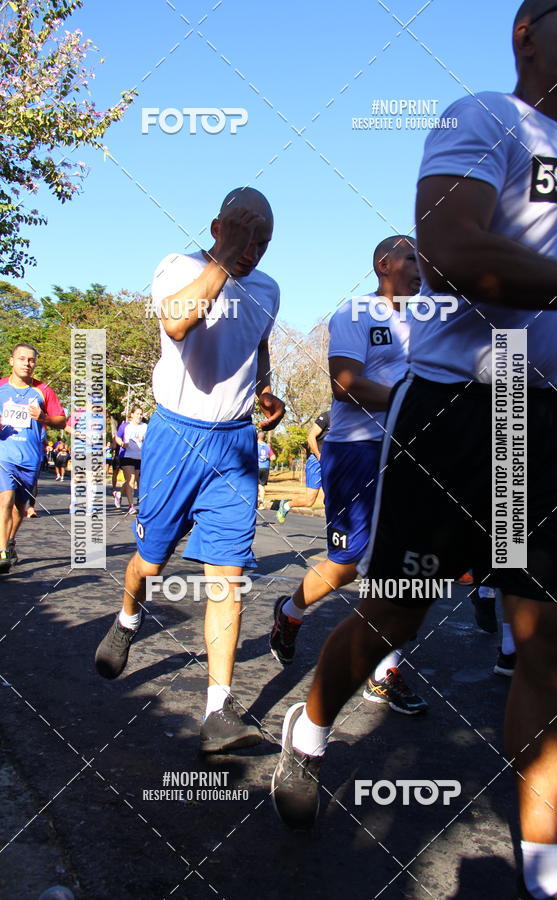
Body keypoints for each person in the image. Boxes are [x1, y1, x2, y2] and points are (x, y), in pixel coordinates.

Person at [272, 5, 557, 899]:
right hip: (451, 408)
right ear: (530, 30)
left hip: (537, 417)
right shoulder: (481, 114)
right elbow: (454, 256)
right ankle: (308, 733)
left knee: (556, 640)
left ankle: (547, 869)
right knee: (397, 616)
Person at [95, 187, 285, 754]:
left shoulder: (269, 289)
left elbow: (259, 345)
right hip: (176, 434)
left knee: (227, 578)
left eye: (262, 242)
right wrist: (223, 261)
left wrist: (267, 391)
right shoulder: (179, 266)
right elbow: (178, 323)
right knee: (152, 561)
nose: (253, 250)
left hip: (233, 445)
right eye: (244, 236)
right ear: (216, 227)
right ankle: (128, 617)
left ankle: (219, 710)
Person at [270, 237, 427, 715]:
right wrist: (410, 401)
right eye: (412, 258)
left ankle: (385, 673)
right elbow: (346, 386)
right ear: (384, 264)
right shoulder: (356, 314)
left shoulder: (429, 321)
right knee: (349, 562)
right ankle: (291, 612)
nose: (422, 269)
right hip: (356, 451)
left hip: (409, 452)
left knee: (408, 564)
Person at [0, 344, 66, 573]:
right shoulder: (0, 388)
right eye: (22, 359)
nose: (27, 363)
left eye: (31, 360)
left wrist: (44, 417)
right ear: (11, 361)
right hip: (4, 455)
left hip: (30, 458)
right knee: (5, 500)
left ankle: (9, 542)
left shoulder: (43, 391)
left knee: (19, 507)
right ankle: (1, 553)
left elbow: (61, 421)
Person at [276, 409, 330, 521]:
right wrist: (320, 457)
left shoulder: (348, 420)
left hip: (333, 463)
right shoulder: (327, 416)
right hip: (317, 461)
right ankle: (286, 505)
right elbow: (311, 438)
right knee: (309, 500)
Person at [118, 407, 147, 515]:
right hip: (127, 455)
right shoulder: (125, 425)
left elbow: (149, 439)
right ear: (132, 414)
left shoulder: (145, 427)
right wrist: (122, 443)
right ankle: (131, 506)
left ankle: (119, 493)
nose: (139, 416)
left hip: (139, 456)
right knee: (131, 479)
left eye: (141, 414)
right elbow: (117, 437)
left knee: (136, 480)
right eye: (137, 414)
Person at [256, 430, 275, 509]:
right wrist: (266, 457)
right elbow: (273, 457)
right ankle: (261, 504)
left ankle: (255, 502)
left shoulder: (255, 445)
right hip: (265, 467)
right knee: (262, 486)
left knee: (255, 485)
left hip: (256, 467)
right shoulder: (267, 446)